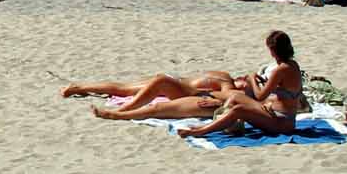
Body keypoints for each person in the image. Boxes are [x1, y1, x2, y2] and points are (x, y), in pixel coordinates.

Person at [177, 31, 306, 138]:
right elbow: (279, 89)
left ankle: (201, 131)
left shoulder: (281, 69)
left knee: (239, 110)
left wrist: (252, 79)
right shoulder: (292, 64)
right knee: (235, 97)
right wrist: (259, 81)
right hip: (273, 112)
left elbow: (260, 96)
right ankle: (218, 123)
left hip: (281, 122)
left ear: (273, 50)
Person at [59, 68, 236, 102]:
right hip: (172, 85)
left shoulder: (222, 74)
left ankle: (82, 87)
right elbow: (229, 98)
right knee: (123, 90)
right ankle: (79, 88)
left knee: (123, 87)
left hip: (173, 78)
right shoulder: (226, 82)